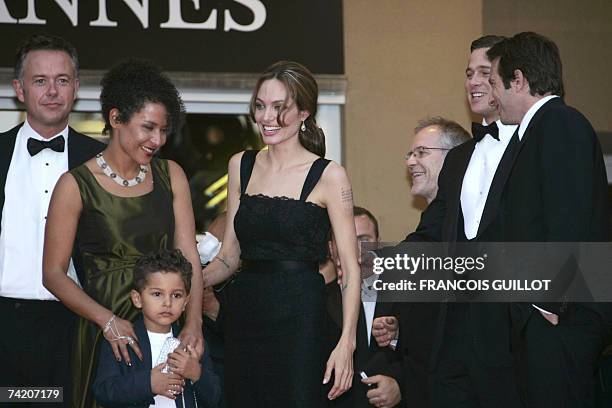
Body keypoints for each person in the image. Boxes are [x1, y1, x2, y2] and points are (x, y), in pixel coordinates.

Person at [372, 36, 523, 408]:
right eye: (468, 73)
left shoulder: (528, 146)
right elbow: (429, 242)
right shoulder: (463, 160)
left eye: (484, 73)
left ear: (509, 79)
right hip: (454, 359)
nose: (473, 81)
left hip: (513, 339)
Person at [43, 59, 203, 408]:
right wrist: (107, 321)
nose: (157, 140)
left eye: (163, 131)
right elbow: (53, 274)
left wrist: (194, 324)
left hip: (163, 323)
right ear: (116, 119)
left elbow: (189, 257)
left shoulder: (170, 174)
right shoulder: (75, 185)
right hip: (105, 332)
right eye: (148, 128)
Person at [202, 60, 361, 407]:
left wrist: (346, 342)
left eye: (279, 108)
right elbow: (229, 257)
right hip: (245, 317)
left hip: (300, 320)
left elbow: (349, 268)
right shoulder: (240, 165)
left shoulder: (329, 175)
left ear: (304, 112)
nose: (266, 118)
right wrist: (188, 280)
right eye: (260, 106)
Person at [487, 31, 610, 408]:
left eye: (494, 83)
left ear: (519, 80)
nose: (492, 94)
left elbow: (567, 218)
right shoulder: (543, 129)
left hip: (559, 319)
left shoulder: (559, 123)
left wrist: (547, 303)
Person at [0, 34, 104, 404]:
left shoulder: (102, 161)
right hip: (5, 327)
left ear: (76, 87)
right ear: (19, 89)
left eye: (62, 80)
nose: (52, 91)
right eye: (40, 81)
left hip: (77, 325)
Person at [93, 249, 220, 408]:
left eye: (176, 295)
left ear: (186, 302)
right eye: (157, 294)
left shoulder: (191, 343)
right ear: (137, 299)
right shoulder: (123, 341)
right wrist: (148, 384)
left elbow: (215, 398)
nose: (167, 302)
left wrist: (197, 374)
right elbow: (104, 392)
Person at [405, 117, 471, 204]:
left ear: (454, 157)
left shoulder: (475, 214)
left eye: (421, 152)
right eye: (411, 154)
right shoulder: (431, 216)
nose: (409, 162)